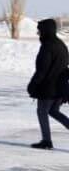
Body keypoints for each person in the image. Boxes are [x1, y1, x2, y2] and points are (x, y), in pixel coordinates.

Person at [27, 18, 69, 149]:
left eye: (39, 30)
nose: (38, 33)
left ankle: (46, 141)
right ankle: (46, 140)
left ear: (46, 31)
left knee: (42, 111)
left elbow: (42, 70)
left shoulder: (47, 46)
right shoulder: (61, 44)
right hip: (61, 87)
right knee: (53, 111)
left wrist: (32, 85)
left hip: (48, 87)